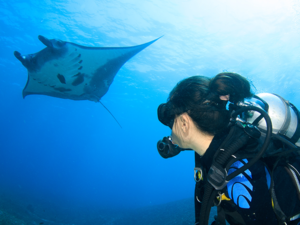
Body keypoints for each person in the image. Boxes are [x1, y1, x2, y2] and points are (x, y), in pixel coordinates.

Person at [157, 72, 300, 225]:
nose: (171, 132)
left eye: (172, 123)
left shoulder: (239, 170)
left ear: (184, 123)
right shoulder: (209, 152)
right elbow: (201, 190)